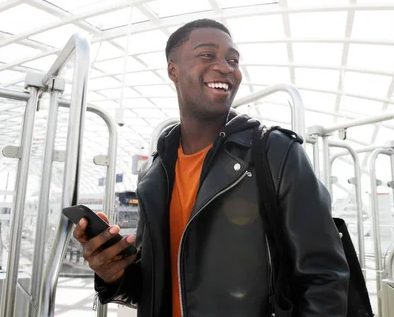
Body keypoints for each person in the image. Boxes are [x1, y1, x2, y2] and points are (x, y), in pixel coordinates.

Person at [72, 18, 350, 316]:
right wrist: (112, 273)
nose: (226, 67)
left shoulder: (274, 152)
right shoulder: (155, 174)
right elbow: (154, 284)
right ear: (172, 69)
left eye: (233, 60)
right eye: (207, 54)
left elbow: (324, 277)